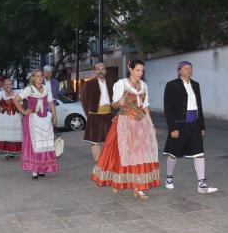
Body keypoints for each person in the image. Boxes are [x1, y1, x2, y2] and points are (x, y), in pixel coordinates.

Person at [91, 59, 160, 199]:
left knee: (141, 154)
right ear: (130, 69)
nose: (140, 73)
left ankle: (138, 187)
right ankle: (118, 182)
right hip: (125, 122)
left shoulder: (144, 85)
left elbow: (145, 106)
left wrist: (151, 124)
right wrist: (118, 102)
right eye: (137, 70)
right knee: (122, 155)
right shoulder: (121, 84)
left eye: (142, 71)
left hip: (141, 123)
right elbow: (114, 105)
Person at [163, 61, 218, 194]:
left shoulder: (195, 84)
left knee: (199, 153)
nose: (189, 71)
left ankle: (202, 184)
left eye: (190, 69)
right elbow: (168, 108)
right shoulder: (171, 85)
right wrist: (172, 128)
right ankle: (169, 177)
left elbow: (199, 106)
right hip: (179, 124)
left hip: (194, 124)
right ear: (179, 70)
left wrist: (202, 125)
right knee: (173, 153)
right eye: (186, 68)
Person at [15, 69, 58, 179]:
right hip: (33, 120)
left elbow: (51, 102)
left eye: (41, 76)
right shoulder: (29, 89)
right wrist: (24, 111)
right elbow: (16, 100)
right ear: (33, 78)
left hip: (44, 120)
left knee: (44, 144)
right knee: (34, 145)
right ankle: (35, 170)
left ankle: (42, 168)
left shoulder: (46, 89)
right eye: (37, 76)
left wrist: (54, 116)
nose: (40, 78)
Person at [81, 62, 114, 161]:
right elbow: (84, 100)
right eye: (98, 69)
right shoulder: (89, 83)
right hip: (94, 114)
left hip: (108, 114)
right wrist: (89, 114)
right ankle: (98, 160)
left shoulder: (110, 83)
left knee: (108, 139)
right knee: (95, 140)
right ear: (95, 71)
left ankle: (106, 159)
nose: (100, 71)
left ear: (106, 71)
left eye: (102, 69)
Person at [0, 79, 23, 158]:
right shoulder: (1, 93)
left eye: (9, 84)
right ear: (4, 85)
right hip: (5, 116)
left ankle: (12, 151)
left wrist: (22, 114)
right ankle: (7, 152)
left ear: (12, 85)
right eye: (6, 84)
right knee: (5, 133)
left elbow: (20, 104)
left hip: (15, 116)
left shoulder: (17, 93)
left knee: (14, 134)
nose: (8, 85)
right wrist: (0, 106)